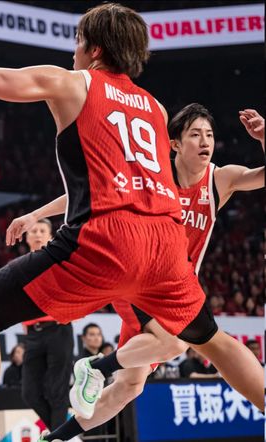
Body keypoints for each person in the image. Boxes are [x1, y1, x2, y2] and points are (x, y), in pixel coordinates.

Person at [0, 5, 263, 441]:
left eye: (78, 41)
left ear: (94, 48)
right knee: (212, 339)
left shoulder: (72, 82)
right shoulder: (156, 109)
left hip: (106, 240)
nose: (73, 51)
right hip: (167, 246)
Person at [21, 105, 265, 441]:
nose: (205, 141)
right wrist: (36, 214)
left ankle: (55, 438)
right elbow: (92, 190)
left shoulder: (220, 179)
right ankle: (95, 367)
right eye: (195, 134)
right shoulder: (153, 176)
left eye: (209, 135)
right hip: (137, 278)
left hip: (175, 290)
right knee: (177, 342)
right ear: (175, 144)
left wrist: (264, 137)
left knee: (129, 385)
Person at [15, 219, 73, 430]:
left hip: (58, 328)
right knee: (29, 393)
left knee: (57, 390)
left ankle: (57, 437)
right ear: (26, 237)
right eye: (33, 231)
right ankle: (63, 434)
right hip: (32, 333)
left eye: (42, 230)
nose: (38, 234)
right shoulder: (20, 265)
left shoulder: (61, 259)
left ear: (50, 235)